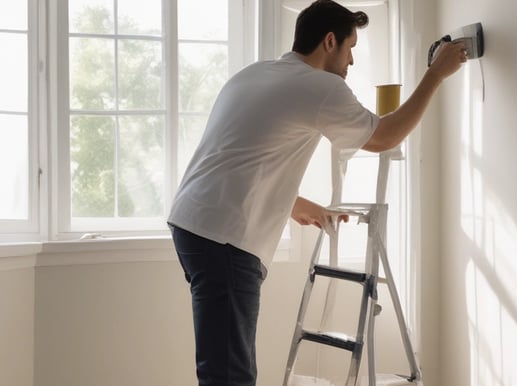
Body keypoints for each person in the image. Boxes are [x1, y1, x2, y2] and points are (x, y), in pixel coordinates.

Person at [167, 1, 467, 385]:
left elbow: (237, 153)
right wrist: (436, 74)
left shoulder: (256, 73)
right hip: (224, 237)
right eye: (350, 47)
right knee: (229, 374)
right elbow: (384, 136)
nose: (352, 61)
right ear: (330, 41)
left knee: (223, 362)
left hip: (192, 224)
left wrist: (291, 203)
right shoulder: (322, 86)